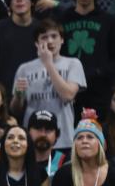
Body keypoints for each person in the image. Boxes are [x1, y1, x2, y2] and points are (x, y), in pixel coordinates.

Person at [11, 20, 86, 156]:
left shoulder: (73, 64)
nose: (50, 41)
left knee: (61, 176)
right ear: (36, 43)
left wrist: (48, 64)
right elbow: (16, 109)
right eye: (44, 37)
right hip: (33, 139)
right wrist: (18, 95)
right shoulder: (24, 68)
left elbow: (68, 95)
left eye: (54, 36)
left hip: (63, 139)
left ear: (62, 40)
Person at [59, 0, 115, 115]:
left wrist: (100, 71)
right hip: (68, 90)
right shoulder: (61, 21)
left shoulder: (109, 22)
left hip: (99, 91)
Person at [27, 109, 66, 176]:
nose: (43, 134)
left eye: (48, 130)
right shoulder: (19, 160)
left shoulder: (65, 162)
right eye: (38, 129)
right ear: (28, 132)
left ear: (57, 135)